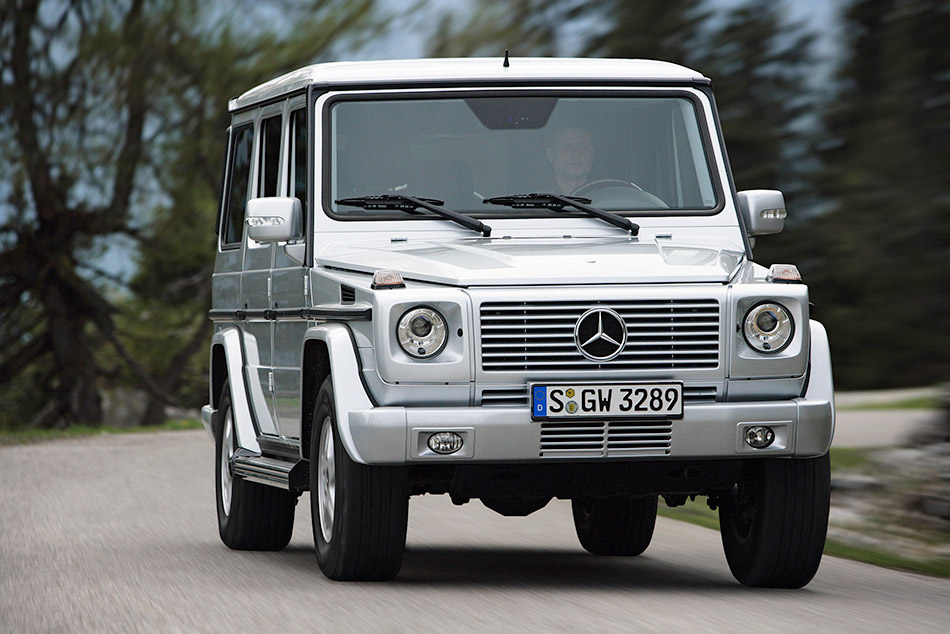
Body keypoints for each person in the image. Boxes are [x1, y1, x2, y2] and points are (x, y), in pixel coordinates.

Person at [546, 127, 594, 195]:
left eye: (583, 146)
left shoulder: (609, 200)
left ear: (592, 153)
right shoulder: (534, 201)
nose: (576, 153)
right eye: (567, 146)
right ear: (550, 155)